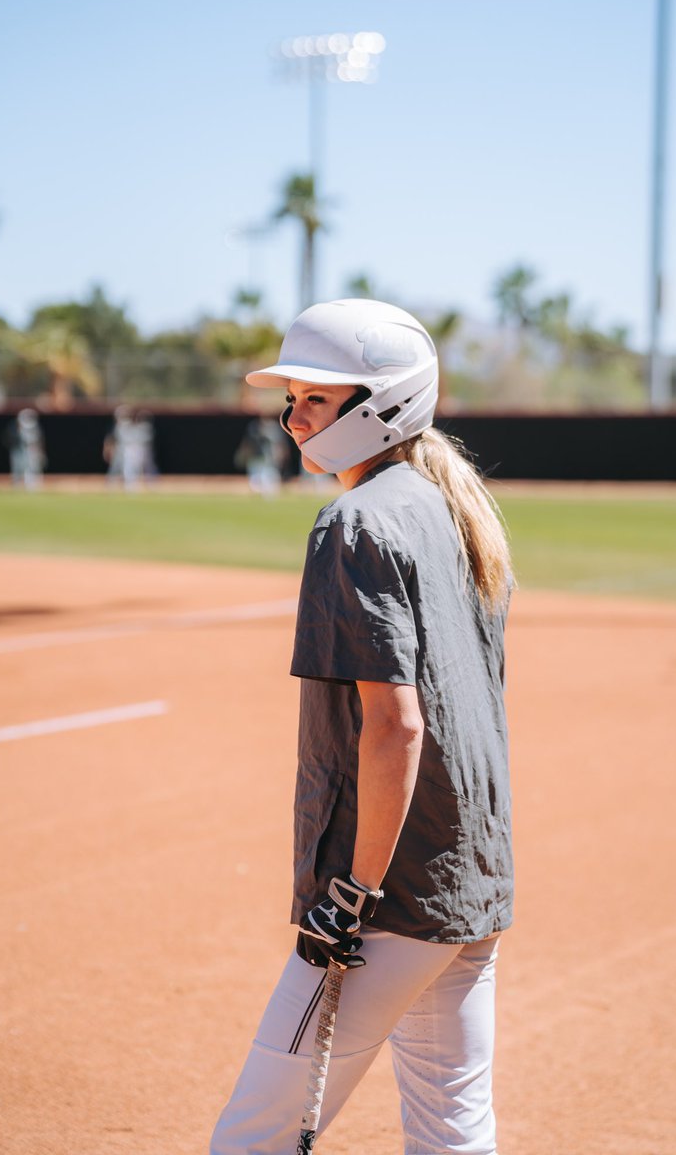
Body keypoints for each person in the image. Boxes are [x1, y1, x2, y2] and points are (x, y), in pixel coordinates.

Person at [210, 299, 514, 1155]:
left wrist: (350, 897)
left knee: (255, 1135)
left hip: (389, 896)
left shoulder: (355, 523)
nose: (291, 417)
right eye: (290, 398)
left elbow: (396, 729)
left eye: (314, 398)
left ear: (377, 404)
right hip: (470, 879)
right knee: (454, 1129)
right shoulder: (456, 508)